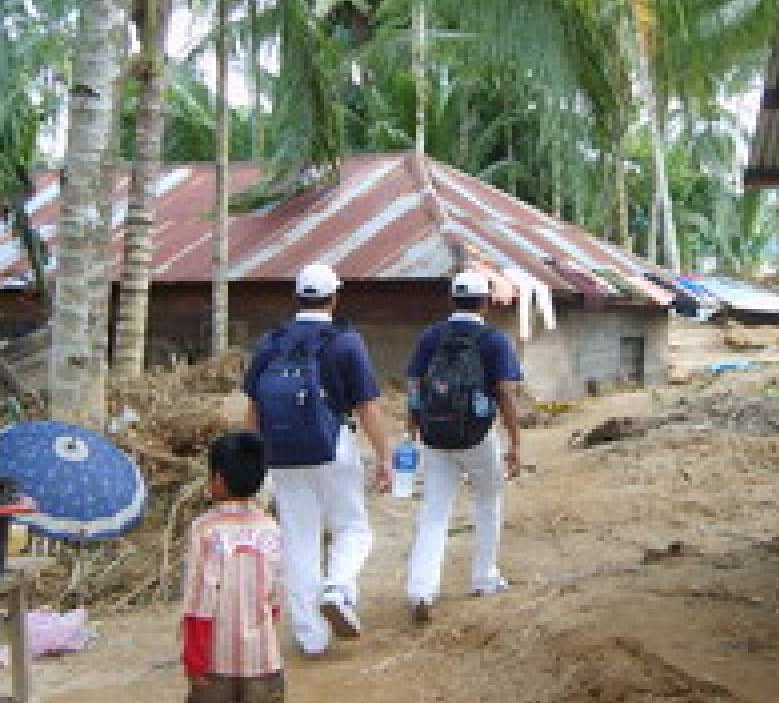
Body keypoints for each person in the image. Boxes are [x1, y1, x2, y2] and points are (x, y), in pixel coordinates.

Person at [244, 263, 392, 656]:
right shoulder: (345, 342)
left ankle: (310, 637)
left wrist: (258, 459)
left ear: (296, 296)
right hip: (334, 444)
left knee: (298, 538)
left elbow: (254, 408)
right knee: (353, 528)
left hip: (281, 451)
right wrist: (385, 457)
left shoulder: (271, 342)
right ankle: (339, 588)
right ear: (334, 296)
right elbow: (367, 407)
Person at [405, 270, 523, 623]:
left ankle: (421, 589)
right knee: (488, 500)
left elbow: (414, 382)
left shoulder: (431, 336)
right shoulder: (494, 340)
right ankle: (483, 576)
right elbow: (505, 391)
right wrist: (515, 440)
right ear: (485, 302)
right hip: (477, 437)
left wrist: (414, 423)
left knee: (434, 512)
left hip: (435, 437)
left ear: (451, 300)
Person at [182, 432, 285, 703]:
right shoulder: (271, 528)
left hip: (216, 662)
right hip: (263, 660)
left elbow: (199, 601)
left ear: (217, 480)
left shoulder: (205, 529)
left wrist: (194, 659)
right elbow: (276, 599)